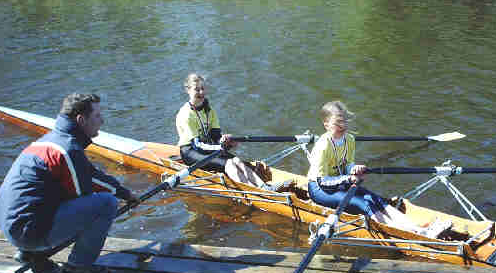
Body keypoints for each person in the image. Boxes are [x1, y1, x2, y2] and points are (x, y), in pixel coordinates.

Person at [0, 93, 137, 273]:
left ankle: (32, 253)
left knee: (69, 193)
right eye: (97, 116)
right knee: (106, 204)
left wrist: (123, 192)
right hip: (27, 231)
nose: (102, 120)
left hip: (11, 226)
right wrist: (122, 195)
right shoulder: (68, 149)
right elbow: (85, 194)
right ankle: (78, 270)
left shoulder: (51, 140)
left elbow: (89, 173)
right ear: (81, 119)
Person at [307, 101, 451, 238]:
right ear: (326, 125)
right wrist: (350, 178)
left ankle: (416, 229)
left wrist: (354, 168)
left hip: (339, 183)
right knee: (363, 203)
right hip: (320, 189)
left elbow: (347, 164)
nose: (342, 126)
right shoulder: (322, 146)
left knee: (376, 199)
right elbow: (323, 181)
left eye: (344, 121)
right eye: (337, 122)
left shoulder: (349, 139)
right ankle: (410, 234)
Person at [176, 73, 292, 192]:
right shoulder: (186, 114)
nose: (201, 92)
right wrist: (220, 147)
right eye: (197, 89)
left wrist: (224, 141)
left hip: (208, 147)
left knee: (236, 160)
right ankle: (255, 192)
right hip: (191, 151)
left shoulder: (209, 111)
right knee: (229, 164)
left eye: (203, 88)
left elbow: (216, 136)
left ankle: (265, 187)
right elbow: (197, 145)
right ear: (188, 90)